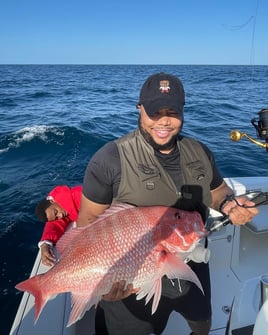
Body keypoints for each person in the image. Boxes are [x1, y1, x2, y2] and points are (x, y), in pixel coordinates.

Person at [76, 72, 259, 335]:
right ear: (139, 108)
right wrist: (102, 282)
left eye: (171, 112)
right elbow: (88, 224)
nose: (163, 121)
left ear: (182, 111)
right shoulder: (109, 160)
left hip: (192, 265)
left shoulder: (200, 151)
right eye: (154, 111)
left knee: (202, 324)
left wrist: (230, 204)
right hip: (133, 279)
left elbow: (218, 191)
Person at [35, 185, 82, 266]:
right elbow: (55, 224)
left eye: (56, 212)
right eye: (56, 217)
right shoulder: (64, 207)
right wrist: (45, 244)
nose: (60, 215)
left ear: (52, 201)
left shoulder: (80, 194)